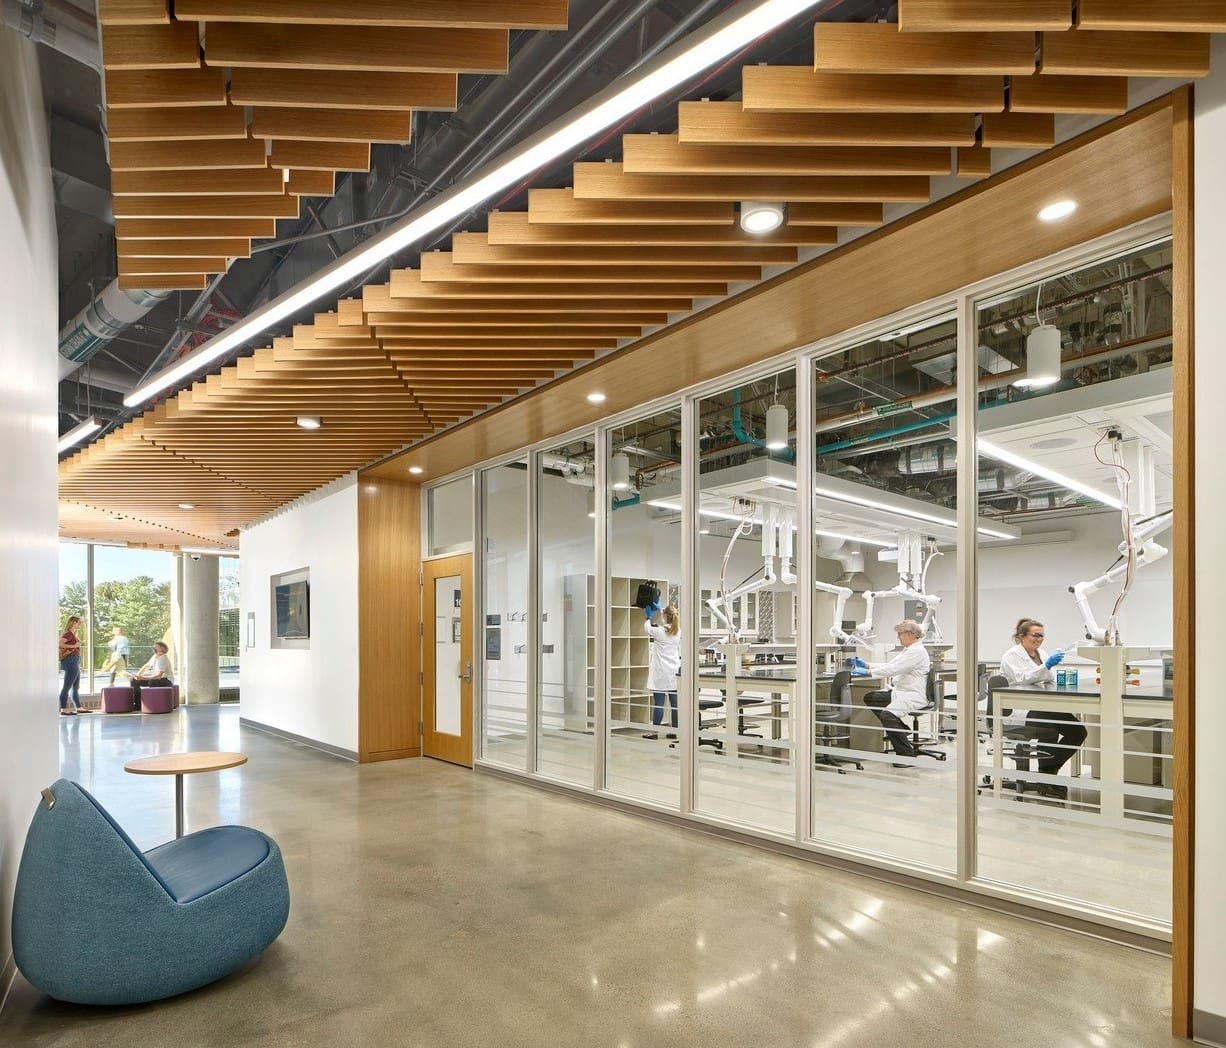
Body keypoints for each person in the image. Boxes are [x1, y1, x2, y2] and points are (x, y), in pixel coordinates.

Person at [998, 618, 1088, 799]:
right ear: (1022, 636)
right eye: (1035, 635)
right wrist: (1045, 667)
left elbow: (1049, 678)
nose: (1039, 639)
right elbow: (1022, 678)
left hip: (1041, 704)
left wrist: (1054, 674)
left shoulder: (1042, 653)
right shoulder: (1011, 656)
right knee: (1052, 726)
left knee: (1078, 732)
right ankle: (1046, 776)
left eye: (1042, 636)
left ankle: (1047, 773)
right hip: (1020, 709)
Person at [849, 619, 930, 761]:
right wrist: (867, 665)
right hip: (901, 692)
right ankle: (901, 728)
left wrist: (868, 673)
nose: (898, 637)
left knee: (887, 716)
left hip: (912, 695)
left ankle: (906, 755)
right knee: (871, 697)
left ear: (910, 634)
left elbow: (893, 669)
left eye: (900, 634)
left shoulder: (917, 652)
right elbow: (890, 664)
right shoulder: (909, 649)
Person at [642, 601, 681, 741]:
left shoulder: (659, 632)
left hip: (661, 672)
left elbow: (647, 628)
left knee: (659, 702)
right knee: (674, 703)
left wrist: (649, 616)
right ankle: (675, 731)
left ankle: (654, 732)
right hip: (674, 672)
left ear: (665, 616)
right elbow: (666, 627)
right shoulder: (677, 631)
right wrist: (661, 611)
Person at [130, 641, 174, 706]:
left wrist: (143, 678)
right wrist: (137, 676)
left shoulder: (163, 658)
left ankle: (152, 703)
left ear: (162, 648)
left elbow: (158, 676)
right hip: (156, 679)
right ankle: (138, 704)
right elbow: (146, 666)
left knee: (153, 681)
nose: (154, 648)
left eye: (156, 646)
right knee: (134, 680)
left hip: (166, 680)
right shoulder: (155, 656)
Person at [58, 616, 83, 715]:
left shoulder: (73, 634)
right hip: (71, 661)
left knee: (75, 687)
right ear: (73, 623)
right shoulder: (68, 634)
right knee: (66, 687)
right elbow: (59, 644)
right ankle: (63, 709)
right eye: (78, 622)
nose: (79, 624)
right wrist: (74, 646)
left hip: (74, 660)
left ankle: (79, 707)